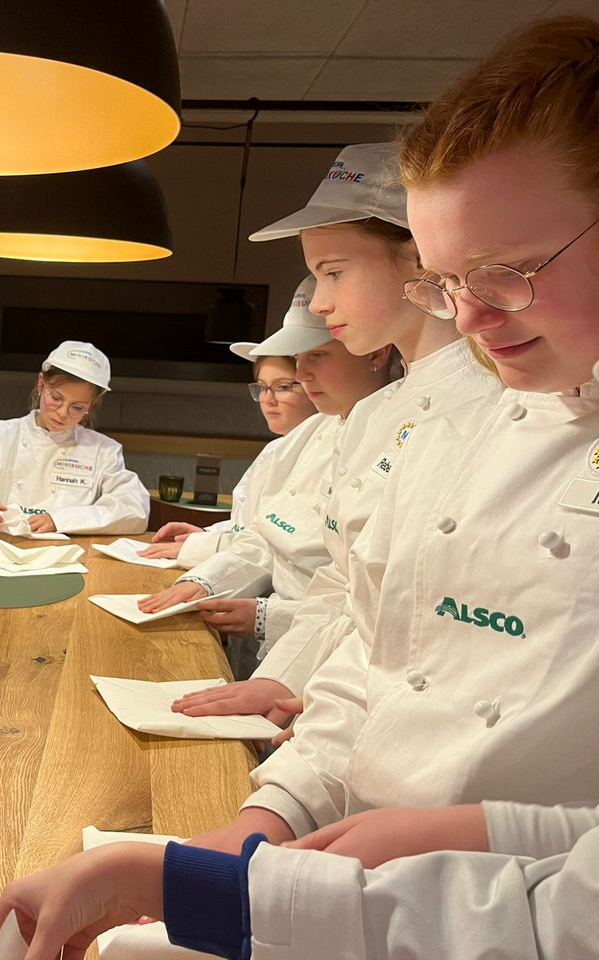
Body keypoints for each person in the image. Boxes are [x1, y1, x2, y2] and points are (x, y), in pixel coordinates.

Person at [181, 13, 599, 861]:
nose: (471, 321)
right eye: (447, 283)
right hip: (356, 868)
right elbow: (378, 662)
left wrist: (480, 834)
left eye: (507, 272)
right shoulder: (453, 426)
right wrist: (272, 814)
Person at [170, 143, 501, 729]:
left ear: (421, 258)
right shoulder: (372, 416)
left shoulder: (499, 402)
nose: (320, 303)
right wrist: (282, 679)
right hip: (341, 710)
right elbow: (347, 583)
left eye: (334, 273)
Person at [137, 278, 393, 679]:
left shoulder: (401, 440)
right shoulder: (310, 436)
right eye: (299, 358)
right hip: (281, 645)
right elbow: (267, 537)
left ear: (375, 351)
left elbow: (375, 600)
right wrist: (206, 581)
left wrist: (269, 617)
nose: (303, 373)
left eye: (317, 355)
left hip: (335, 663)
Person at [0, 799, 599, 960]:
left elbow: (553, 931)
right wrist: (280, 803)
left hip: (437, 883)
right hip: (367, 843)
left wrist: (169, 882)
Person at [0, 341, 149, 536]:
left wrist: (60, 520)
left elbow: (134, 509)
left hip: (67, 555)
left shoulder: (104, 451)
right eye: (56, 398)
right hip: (1, 546)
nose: (62, 413)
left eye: (77, 407)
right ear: (41, 384)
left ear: (92, 405)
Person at [140, 340, 319, 567]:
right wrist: (204, 535)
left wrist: (201, 547)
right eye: (262, 387)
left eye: (283, 387)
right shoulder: (275, 448)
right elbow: (246, 526)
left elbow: (280, 544)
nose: (267, 399)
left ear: (315, 387)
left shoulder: (322, 455)